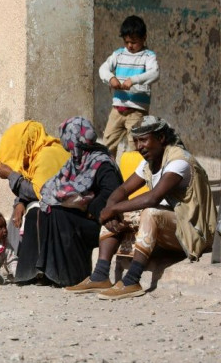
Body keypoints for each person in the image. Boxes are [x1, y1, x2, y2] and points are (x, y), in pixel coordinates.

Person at [66, 117, 217, 300]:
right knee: (115, 210)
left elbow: (154, 197)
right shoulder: (149, 162)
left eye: (143, 140)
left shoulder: (179, 161)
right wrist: (112, 209)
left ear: (161, 138)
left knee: (150, 212)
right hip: (170, 226)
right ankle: (100, 275)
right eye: (136, 141)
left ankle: (132, 280)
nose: (139, 146)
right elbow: (122, 189)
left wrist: (112, 209)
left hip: (193, 230)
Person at [14, 116, 123, 287]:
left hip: (100, 222)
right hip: (82, 217)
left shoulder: (102, 163)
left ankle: (69, 276)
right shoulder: (74, 162)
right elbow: (52, 187)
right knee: (39, 211)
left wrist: (86, 206)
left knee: (59, 214)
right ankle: (34, 272)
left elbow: (112, 195)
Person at [0, 121, 69, 251]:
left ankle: (24, 265)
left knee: (31, 213)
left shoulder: (47, 155)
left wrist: (12, 175)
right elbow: (31, 183)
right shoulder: (36, 155)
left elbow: (38, 192)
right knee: (17, 211)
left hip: (61, 213)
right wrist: (20, 202)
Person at [98, 15, 159, 157]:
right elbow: (103, 69)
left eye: (134, 42)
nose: (130, 46)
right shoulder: (118, 54)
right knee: (107, 145)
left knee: (136, 147)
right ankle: (109, 175)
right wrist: (111, 78)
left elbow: (155, 73)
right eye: (127, 42)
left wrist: (134, 80)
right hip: (117, 110)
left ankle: (135, 177)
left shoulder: (148, 56)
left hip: (136, 111)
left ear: (144, 38)